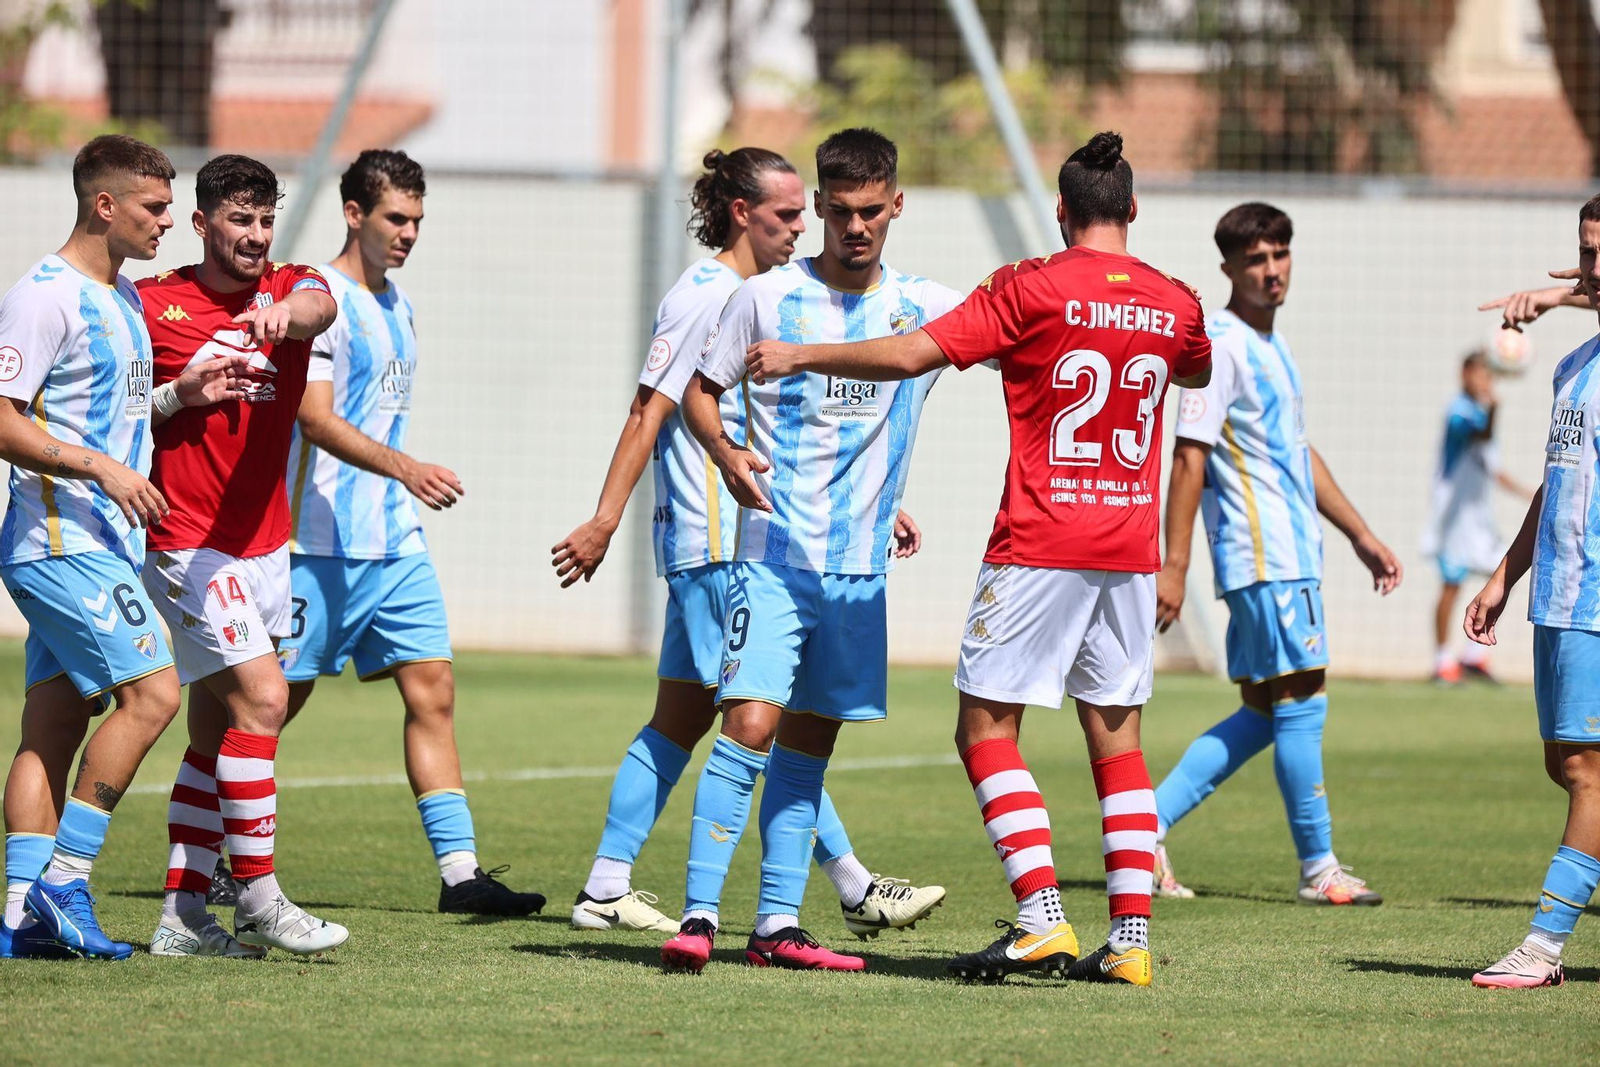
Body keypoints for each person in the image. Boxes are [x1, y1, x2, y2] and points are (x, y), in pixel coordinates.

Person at [745, 131, 1212, 986]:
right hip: (1130, 548)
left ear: (1061, 211)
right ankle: (1133, 941)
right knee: (1119, 739)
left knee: (987, 729)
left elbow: (914, 351)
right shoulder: (1176, 302)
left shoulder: (1030, 287)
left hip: (1040, 539)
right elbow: (1192, 365)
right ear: (1133, 211)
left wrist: (801, 353)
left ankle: (1041, 920)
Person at [552, 146, 942, 936]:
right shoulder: (717, 296)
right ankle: (842, 883)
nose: (809, 228)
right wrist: (605, 516)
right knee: (750, 718)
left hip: (753, 535)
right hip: (724, 541)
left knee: (705, 716)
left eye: (812, 211)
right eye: (792, 213)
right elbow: (649, 409)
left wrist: (878, 499)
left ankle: (616, 878)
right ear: (742, 212)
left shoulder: (772, 292)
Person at [658, 128, 960, 974]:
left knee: (809, 744)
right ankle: (697, 917)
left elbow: (1016, 326)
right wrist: (727, 454)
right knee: (750, 721)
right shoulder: (763, 297)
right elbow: (699, 394)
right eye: (843, 210)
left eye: (874, 210)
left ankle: (778, 926)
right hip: (774, 553)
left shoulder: (925, 306)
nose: (857, 225)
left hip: (860, 569)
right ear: (821, 205)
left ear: (896, 205)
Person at [270, 149, 545, 917]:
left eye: (418, 220)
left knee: (434, 690)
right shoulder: (320, 297)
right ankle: (220, 859)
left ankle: (461, 876)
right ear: (354, 213)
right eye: (397, 217)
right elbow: (313, 417)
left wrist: (399, 484)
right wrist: (405, 466)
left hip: (392, 541)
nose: (410, 233)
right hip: (313, 544)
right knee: (270, 706)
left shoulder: (400, 304)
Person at [0, 135, 245, 961]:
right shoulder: (44, 295)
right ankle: (67, 880)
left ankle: (18, 915)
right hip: (61, 540)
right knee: (155, 697)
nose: (168, 222)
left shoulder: (128, 299)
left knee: (54, 725)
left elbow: (120, 414)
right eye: (154, 207)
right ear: (104, 205)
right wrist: (97, 467)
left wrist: (183, 393)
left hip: (103, 540)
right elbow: (3, 417)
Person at [1151, 202, 1401, 907]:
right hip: (1266, 557)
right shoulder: (1223, 345)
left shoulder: (1272, 344)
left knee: (1264, 707)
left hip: (1289, 555)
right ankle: (1320, 868)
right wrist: (1175, 564)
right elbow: (1188, 458)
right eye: (1255, 260)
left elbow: (1296, 450)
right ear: (1227, 268)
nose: (1270, 270)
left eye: (1279, 255)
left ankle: (1142, 831)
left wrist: (1359, 533)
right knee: (1303, 697)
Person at [138, 154, 349, 957]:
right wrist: (177, 394)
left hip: (265, 546)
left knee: (210, 730)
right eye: (239, 220)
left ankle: (181, 918)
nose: (256, 236)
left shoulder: (289, 285)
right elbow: (116, 415)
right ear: (202, 224)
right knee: (263, 702)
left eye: (265, 220)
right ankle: (260, 898)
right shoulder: (153, 304)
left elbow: (317, 306)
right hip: (187, 540)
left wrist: (284, 316)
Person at [1465, 195, 1600, 989]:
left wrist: (1560, 295)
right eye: (1586, 251)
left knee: (1588, 772)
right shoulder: (1574, 368)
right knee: (1566, 765)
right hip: (1558, 593)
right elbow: (1557, 484)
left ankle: (1543, 945)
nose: (1594, 265)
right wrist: (1505, 573)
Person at [1422, 350, 1531, 685]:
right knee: (1452, 584)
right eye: (1481, 373)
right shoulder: (1459, 412)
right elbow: (1478, 435)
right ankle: (1443, 661)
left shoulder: (1480, 414)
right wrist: (1495, 409)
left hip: (1477, 520)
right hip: (1453, 519)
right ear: (1465, 373)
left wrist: (1531, 493)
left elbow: (1491, 470)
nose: (1486, 381)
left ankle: (1473, 655)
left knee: (1500, 576)